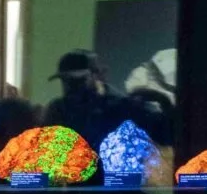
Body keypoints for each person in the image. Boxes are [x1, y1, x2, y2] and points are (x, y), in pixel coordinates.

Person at [41, 48, 172, 148]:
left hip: (117, 181)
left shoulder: (124, 108)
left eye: (78, 80)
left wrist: (163, 102)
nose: (71, 87)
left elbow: (167, 136)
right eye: (66, 81)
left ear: (98, 75)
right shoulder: (58, 110)